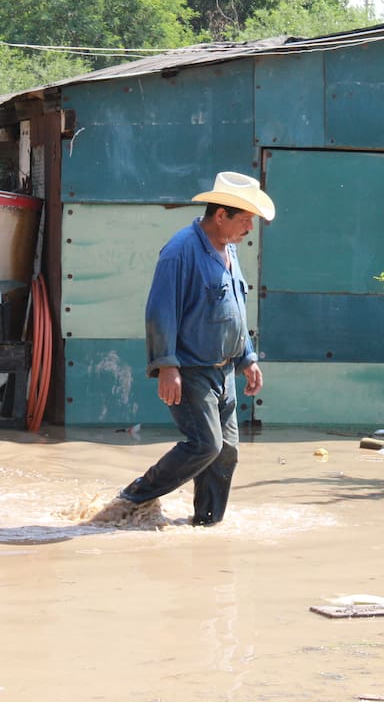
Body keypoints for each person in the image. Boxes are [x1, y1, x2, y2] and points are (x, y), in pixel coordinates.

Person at [95, 171, 275, 527]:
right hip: (191, 369)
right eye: (245, 220)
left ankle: (207, 524)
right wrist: (167, 366)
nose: (250, 229)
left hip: (225, 371)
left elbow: (235, 309)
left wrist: (248, 357)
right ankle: (131, 500)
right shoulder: (180, 251)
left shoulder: (230, 250)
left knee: (227, 453)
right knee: (205, 445)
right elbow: (160, 311)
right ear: (220, 215)